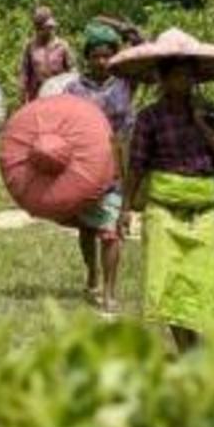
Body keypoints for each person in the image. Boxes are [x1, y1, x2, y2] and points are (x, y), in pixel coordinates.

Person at [115, 29, 214, 352]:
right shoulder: (149, 118)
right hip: (163, 209)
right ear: (162, 79)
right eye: (175, 75)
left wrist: (202, 123)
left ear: (194, 78)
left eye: (187, 75)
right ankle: (187, 350)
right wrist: (125, 208)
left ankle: (196, 345)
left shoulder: (208, 110)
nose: (182, 81)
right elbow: (137, 165)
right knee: (170, 283)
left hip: (203, 211)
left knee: (201, 283)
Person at [64, 22, 135, 314]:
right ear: (87, 57)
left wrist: (122, 27)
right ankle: (91, 271)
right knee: (87, 228)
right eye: (96, 55)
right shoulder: (74, 88)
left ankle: (109, 291)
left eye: (107, 55)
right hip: (83, 168)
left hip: (117, 164)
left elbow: (146, 46)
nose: (102, 61)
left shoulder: (126, 82)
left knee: (111, 230)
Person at [19, 6, 74, 103]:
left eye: (51, 27)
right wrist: (23, 97)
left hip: (59, 95)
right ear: (38, 28)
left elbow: (72, 71)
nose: (51, 30)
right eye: (47, 28)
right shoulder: (30, 46)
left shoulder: (62, 46)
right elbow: (24, 74)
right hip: (37, 97)